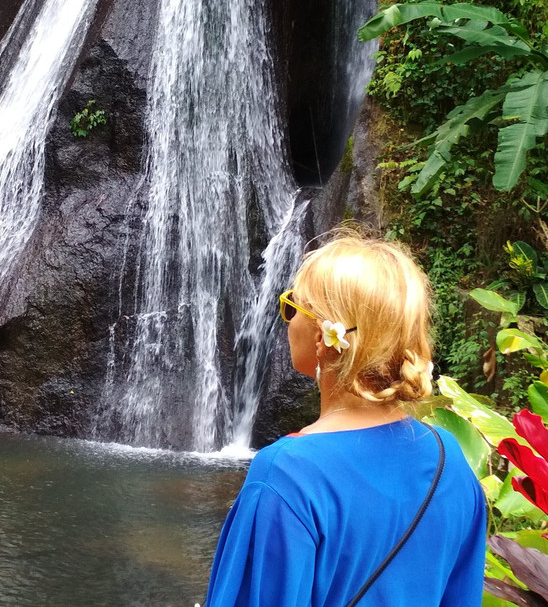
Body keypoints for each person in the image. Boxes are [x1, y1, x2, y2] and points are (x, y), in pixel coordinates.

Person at [203, 232, 487, 607]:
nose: (286, 320)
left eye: (292, 308)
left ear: (323, 337)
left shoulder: (286, 477)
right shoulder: (449, 461)